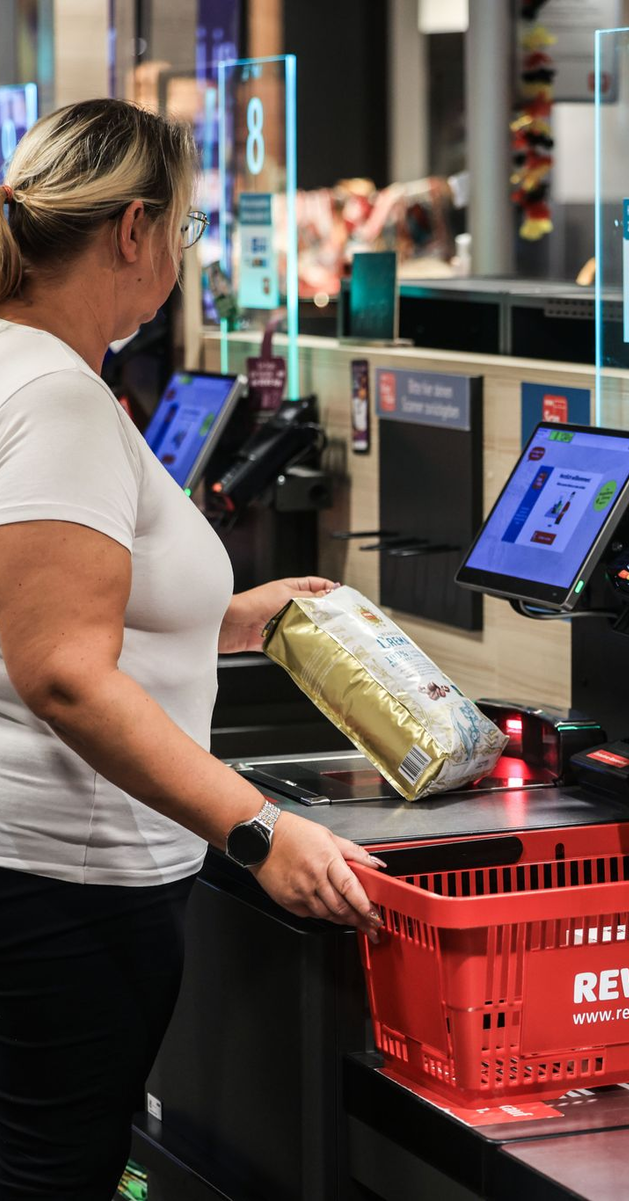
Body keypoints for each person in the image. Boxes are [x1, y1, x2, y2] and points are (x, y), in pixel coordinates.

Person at [0, 99, 383, 1200]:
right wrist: (260, 830)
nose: (183, 254)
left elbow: (36, 604)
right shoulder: (60, 398)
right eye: (188, 230)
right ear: (133, 232)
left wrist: (222, 617)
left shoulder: (29, 372)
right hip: (64, 886)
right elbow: (63, 671)